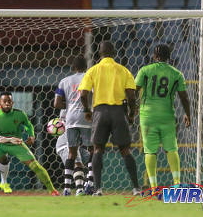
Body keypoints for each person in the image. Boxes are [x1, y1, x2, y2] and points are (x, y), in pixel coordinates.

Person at [78, 41, 140, 196]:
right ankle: (136, 189)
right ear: (114, 52)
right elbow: (131, 97)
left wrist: (87, 110)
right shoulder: (123, 70)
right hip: (118, 112)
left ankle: (98, 189)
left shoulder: (93, 70)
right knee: (125, 150)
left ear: (99, 53)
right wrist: (131, 114)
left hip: (99, 112)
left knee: (98, 149)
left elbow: (83, 94)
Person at [135, 44, 191, 194]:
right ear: (169, 57)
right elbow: (183, 97)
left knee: (150, 152)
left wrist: (131, 110)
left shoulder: (145, 71)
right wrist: (188, 114)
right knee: (171, 149)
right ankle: (177, 184)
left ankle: (154, 187)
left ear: (154, 56)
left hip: (147, 116)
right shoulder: (177, 73)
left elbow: (134, 91)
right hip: (167, 116)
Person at [0, 92, 60, 196]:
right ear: (0, 103)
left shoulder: (20, 114)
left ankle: (52, 190)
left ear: (12, 102)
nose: (7, 103)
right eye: (4, 101)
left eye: (9, 101)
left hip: (17, 144)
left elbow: (29, 125)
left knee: (35, 166)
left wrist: (31, 136)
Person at [54, 56, 93, 196]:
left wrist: (69, 105)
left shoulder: (64, 81)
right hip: (86, 116)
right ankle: (90, 184)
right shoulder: (90, 78)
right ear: (86, 66)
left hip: (70, 119)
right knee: (92, 150)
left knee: (72, 153)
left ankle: (66, 188)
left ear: (72, 67)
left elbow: (56, 104)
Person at [54, 109, 91, 196]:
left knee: (95, 161)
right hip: (65, 143)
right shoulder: (69, 108)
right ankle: (78, 190)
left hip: (77, 144)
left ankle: (87, 185)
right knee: (77, 163)